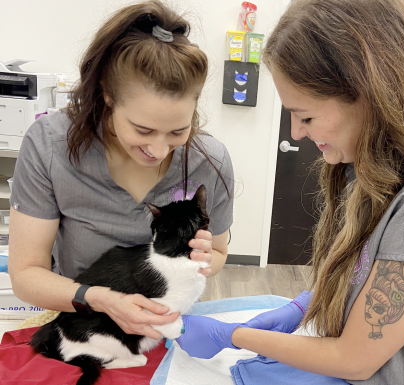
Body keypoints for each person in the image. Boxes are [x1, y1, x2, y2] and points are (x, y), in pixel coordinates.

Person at [176, 0, 404, 384]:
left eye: (306, 116)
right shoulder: (386, 157)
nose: (296, 133)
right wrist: (307, 303)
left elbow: (355, 359)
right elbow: (372, 262)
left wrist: (232, 336)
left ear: (369, 93)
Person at [8, 1, 234, 341]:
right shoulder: (51, 145)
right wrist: (99, 299)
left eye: (177, 132)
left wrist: (200, 259)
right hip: (85, 322)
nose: (158, 151)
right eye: (142, 131)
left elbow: (216, 253)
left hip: (167, 324)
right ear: (108, 96)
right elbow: (26, 274)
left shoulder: (210, 160)